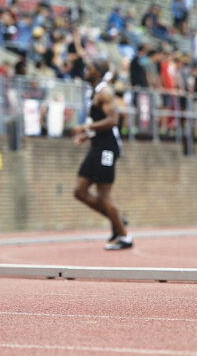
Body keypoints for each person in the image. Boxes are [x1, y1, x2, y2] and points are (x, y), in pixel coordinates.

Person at [72, 58, 132, 250]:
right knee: (79, 191)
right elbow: (100, 123)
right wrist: (86, 136)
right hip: (97, 146)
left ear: (98, 72)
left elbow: (113, 120)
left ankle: (125, 236)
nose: (85, 69)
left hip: (107, 148)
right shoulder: (95, 92)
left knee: (103, 194)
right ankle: (116, 219)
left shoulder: (104, 92)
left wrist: (85, 127)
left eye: (89, 67)